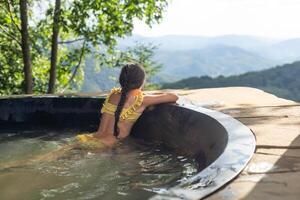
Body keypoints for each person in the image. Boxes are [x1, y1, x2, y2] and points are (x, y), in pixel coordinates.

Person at [1, 63, 178, 168]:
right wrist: (147, 93)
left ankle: (10, 165)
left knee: (43, 159)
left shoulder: (113, 94)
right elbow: (173, 96)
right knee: (134, 170)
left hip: (87, 138)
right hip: (105, 145)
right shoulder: (142, 100)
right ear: (141, 83)